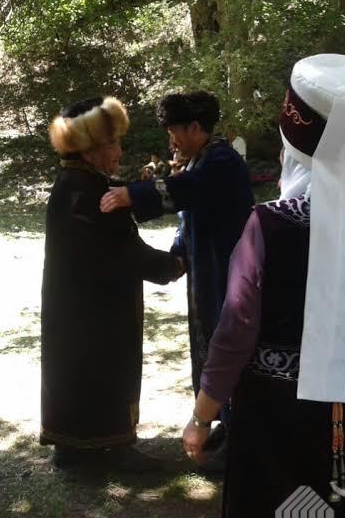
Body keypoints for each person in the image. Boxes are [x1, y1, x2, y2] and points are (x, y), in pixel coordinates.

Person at [182, 54, 345, 518]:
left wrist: (203, 414)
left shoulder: (268, 225)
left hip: (275, 414)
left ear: (294, 143)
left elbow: (237, 327)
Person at [100, 91, 254, 471]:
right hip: (206, 270)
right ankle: (225, 421)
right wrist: (177, 254)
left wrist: (131, 195)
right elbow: (189, 214)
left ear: (196, 127)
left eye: (174, 131)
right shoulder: (201, 160)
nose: (171, 140)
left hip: (230, 269)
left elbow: (186, 190)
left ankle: (242, 436)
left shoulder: (222, 161)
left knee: (228, 343)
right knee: (208, 341)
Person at [40, 96, 183, 471]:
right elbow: (123, 251)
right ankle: (114, 444)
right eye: (112, 143)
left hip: (77, 306)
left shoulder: (74, 183)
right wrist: (174, 264)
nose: (119, 152)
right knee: (103, 367)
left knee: (74, 368)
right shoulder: (87, 190)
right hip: (99, 309)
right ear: (88, 150)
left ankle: (72, 444)